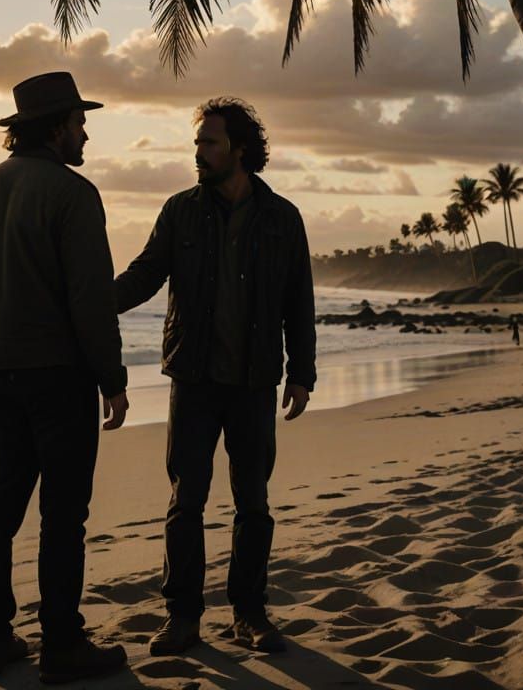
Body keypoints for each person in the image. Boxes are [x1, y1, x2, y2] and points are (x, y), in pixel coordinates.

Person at [0, 71, 129, 684]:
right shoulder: (73, 194)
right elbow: (89, 299)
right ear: (55, 130)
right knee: (63, 514)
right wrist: (111, 377)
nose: (86, 133)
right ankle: (63, 644)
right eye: (79, 122)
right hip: (58, 375)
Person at [115, 97, 316, 657]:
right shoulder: (180, 210)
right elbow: (145, 274)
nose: (198, 153)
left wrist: (302, 373)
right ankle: (182, 618)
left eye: (209, 142)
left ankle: (249, 614)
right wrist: (92, 303)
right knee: (186, 502)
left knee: (253, 503)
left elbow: (299, 300)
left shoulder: (282, 218)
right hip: (194, 379)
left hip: (255, 381)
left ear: (239, 149)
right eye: (197, 143)